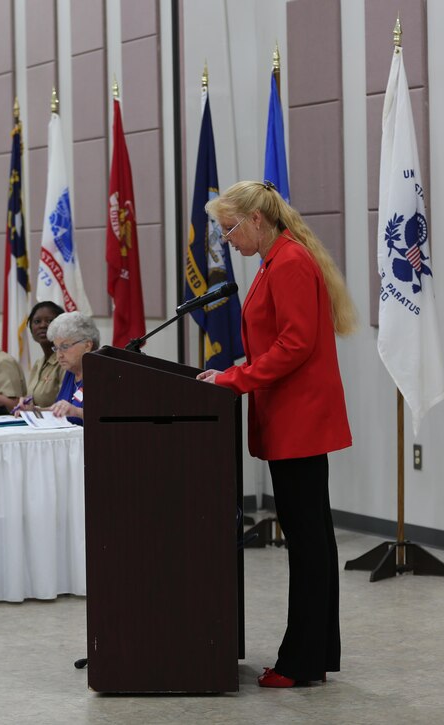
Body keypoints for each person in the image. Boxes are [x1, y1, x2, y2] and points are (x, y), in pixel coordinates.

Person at [196, 180, 357, 689]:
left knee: (308, 544)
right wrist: (235, 370)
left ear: (256, 221)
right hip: (291, 420)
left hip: (300, 423)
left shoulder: (288, 263)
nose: (228, 241)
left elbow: (294, 346)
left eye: (230, 229)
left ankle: (302, 661)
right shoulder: (276, 261)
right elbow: (278, 341)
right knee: (312, 542)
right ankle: (315, 653)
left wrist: (234, 379)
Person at [39, 311, 99, 425]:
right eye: (56, 348)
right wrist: (33, 410)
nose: (59, 355)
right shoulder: (71, 372)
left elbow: (108, 418)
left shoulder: (102, 374)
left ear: (87, 345)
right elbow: (60, 411)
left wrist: (76, 412)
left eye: (64, 347)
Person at [23, 301, 65, 408]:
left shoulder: (65, 362)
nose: (42, 325)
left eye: (50, 321)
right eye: (37, 321)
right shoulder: (38, 364)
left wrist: (33, 410)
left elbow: (65, 406)